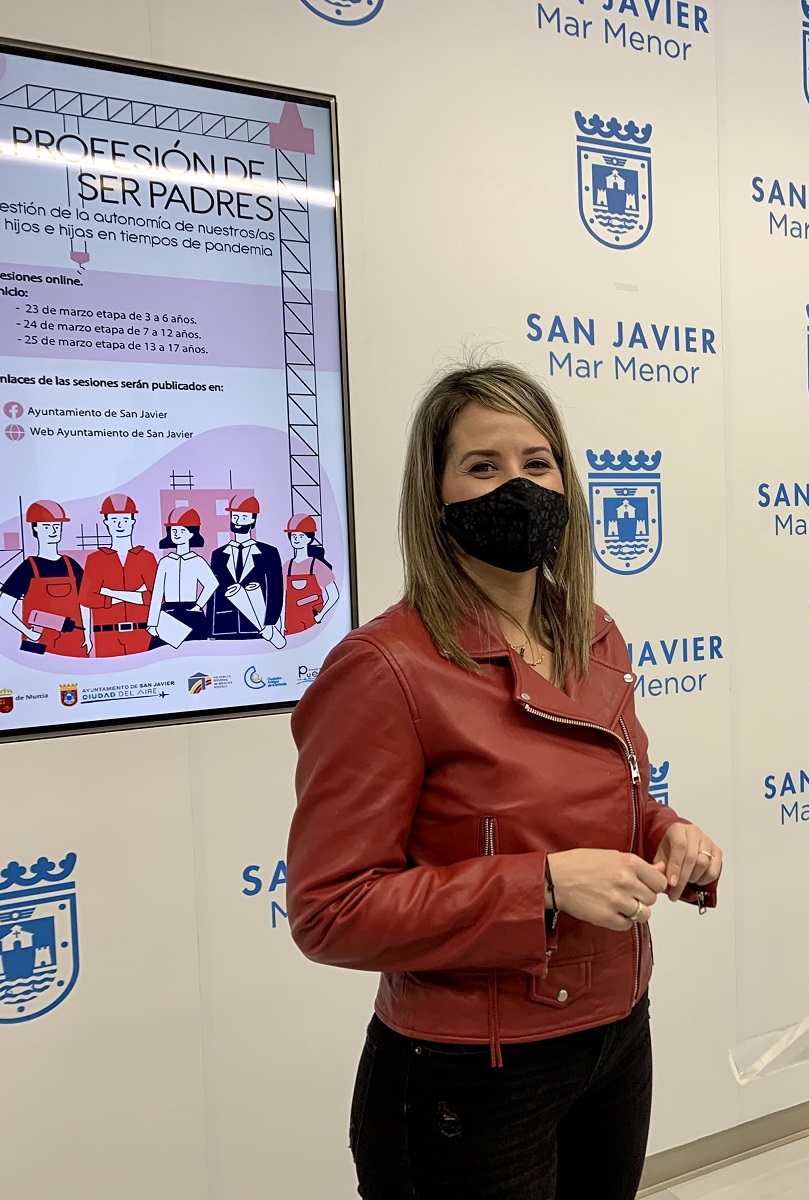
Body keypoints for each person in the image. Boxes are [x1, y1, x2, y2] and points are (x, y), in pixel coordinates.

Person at [287, 361, 723, 1200]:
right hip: (470, 1075)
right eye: (483, 466)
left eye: (537, 462)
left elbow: (599, 795)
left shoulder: (593, 634)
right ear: (434, 497)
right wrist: (544, 887)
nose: (517, 487)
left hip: (615, 1034)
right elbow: (329, 910)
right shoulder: (385, 667)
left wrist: (665, 831)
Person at [0, 500, 88, 656]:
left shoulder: (71, 565)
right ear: (35, 529)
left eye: (56, 526)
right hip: (40, 646)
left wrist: (87, 634)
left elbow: (86, 603)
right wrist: (28, 632)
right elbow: (3, 607)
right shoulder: (28, 568)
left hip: (75, 642)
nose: (53, 531)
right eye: (46, 526)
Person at [79, 494, 158, 658]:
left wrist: (107, 592)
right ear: (106, 522)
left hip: (142, 633)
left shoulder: (146, 558)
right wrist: (86, 635)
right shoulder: (95, 559)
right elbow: (87, 600)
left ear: (133, 521)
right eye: (114, 520)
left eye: (125, 519)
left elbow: (156, 598)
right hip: (106, 635)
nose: (120, 525)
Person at [210, 494, 286, 648]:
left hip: (257, 626)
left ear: (253, 520)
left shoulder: (269, 553)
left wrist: (270, 622)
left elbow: (275, 590)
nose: (238, 521)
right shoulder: (218, 555)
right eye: (235, 516)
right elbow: (214, 593)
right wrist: (210, 629)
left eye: (244, 517)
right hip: (226, 626)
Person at [149, 507, 219, 648]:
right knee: (163, 654)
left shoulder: (197, 561)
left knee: (196, 652)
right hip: (169, 612)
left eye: (182, 531)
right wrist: (152, 622)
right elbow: (157, 593)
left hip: (191, 612)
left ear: (191, 534)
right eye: (174, 530)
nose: (176, 534)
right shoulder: (165, 562)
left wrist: (198, 606)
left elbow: (212, 583)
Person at [281, 513, 339, 635]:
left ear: (309, 538)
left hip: (312, 624)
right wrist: (281, 624)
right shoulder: (287, 566)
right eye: (293, 535)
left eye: (301, 536)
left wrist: (320, 616)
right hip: (291, 623)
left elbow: (334, 594)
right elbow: (283, 598)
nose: (296, 539)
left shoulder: (317, 565)